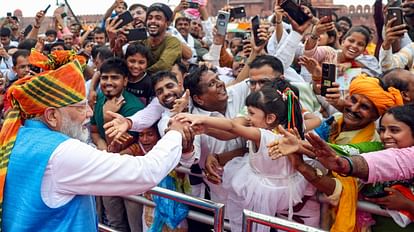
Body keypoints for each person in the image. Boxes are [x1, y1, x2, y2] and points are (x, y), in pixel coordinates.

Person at [0, 59, 191, 231]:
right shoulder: (60, 152)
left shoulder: (19, 136)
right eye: (81, 106)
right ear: (52, 116)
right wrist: (175, 131)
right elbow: (146, 172)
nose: (90, 113)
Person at [175, 82, 307, 232]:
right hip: (285, 185)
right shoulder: (290, 133)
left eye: (251, 113)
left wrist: (201, 119)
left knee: (251, 225)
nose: (248, 118)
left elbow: (232, 127)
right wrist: (206, 129)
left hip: (263, 190)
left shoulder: (261, 134)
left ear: (270, 118)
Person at [272, 104, 414, 230]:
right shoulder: (376, 147)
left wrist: (408, 205)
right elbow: (345, 151)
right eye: (382, 130)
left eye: (394, 130)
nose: (385, 136)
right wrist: (302, 145)